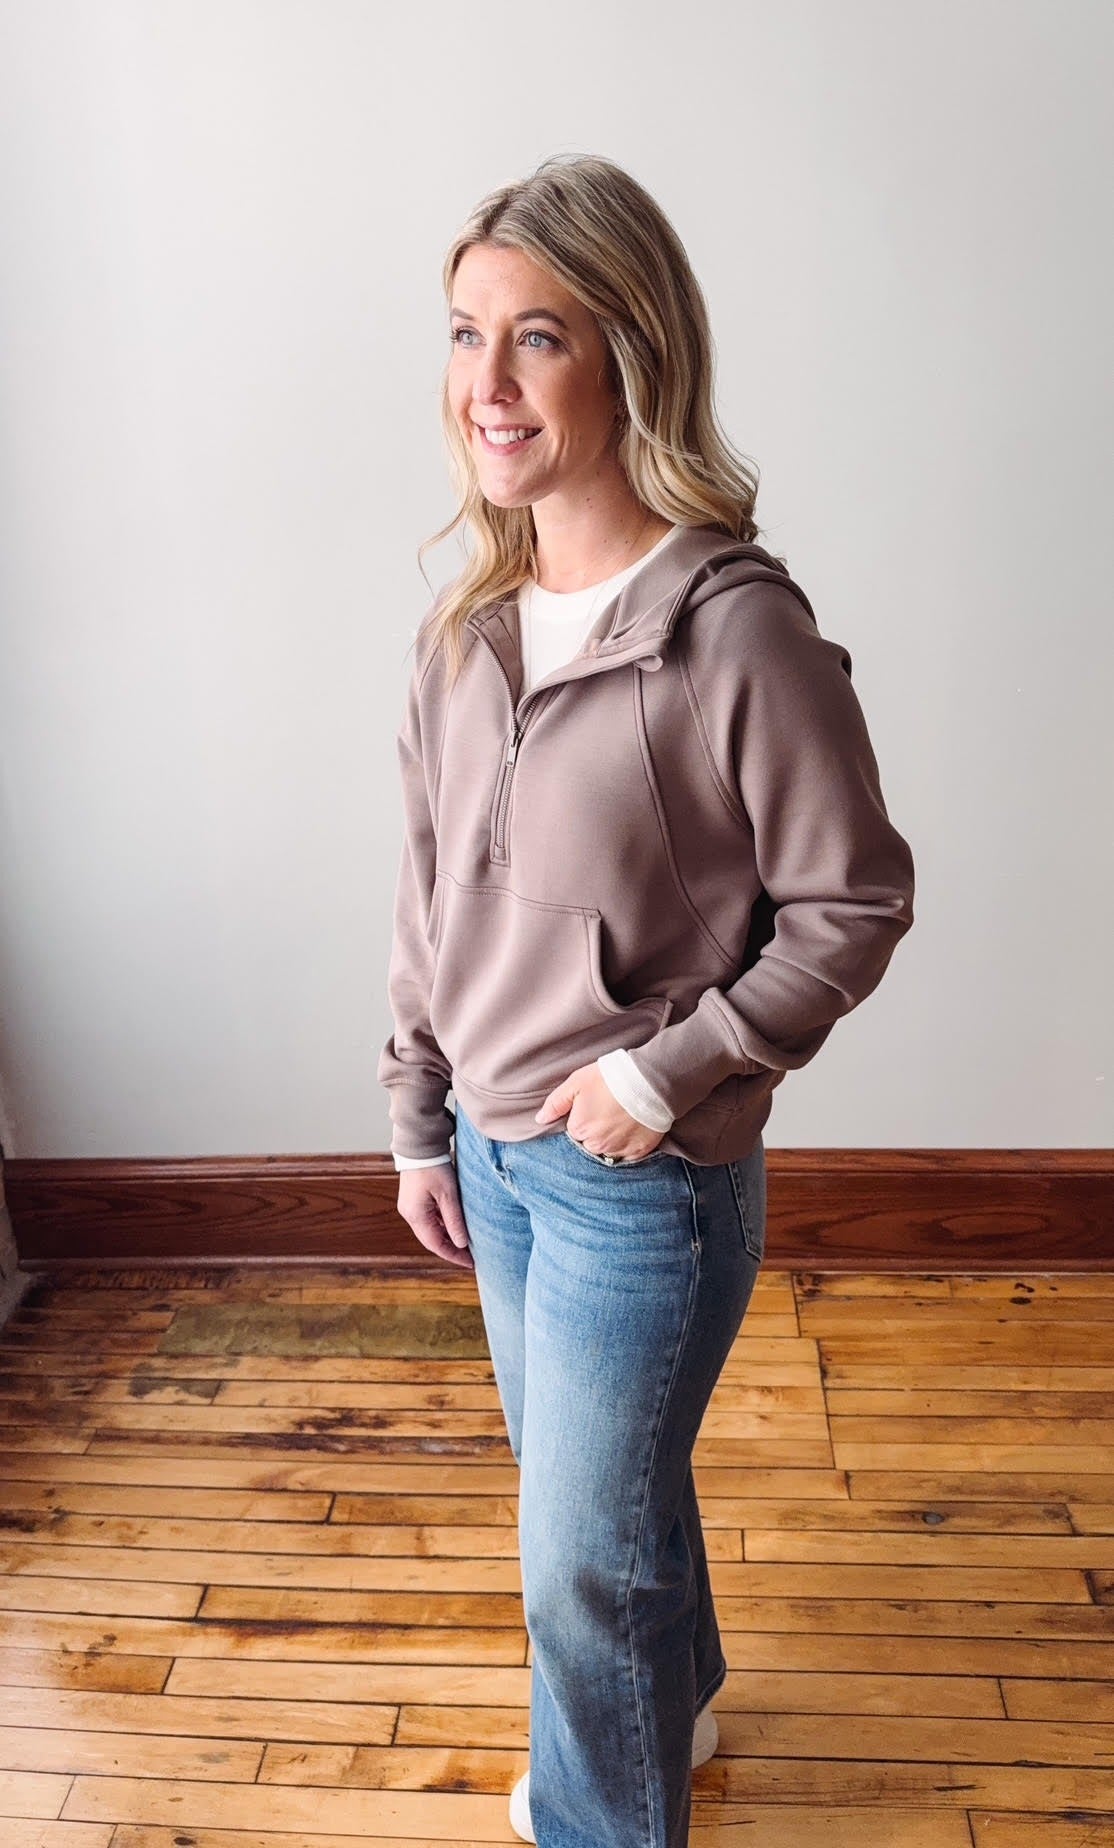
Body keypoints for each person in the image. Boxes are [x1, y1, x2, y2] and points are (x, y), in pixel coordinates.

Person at [377, 152, 915, 1848]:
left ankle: (603, 1822)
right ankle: (667, 1713)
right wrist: (416, 1111)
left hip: (636, 1185)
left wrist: (666, 1077)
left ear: (630, 356)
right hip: (493, 1150)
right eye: (467, 334)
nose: (488, 384)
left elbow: (853, 902)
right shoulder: (465, 626)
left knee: (574, 1567)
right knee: (597, 1517)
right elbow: (424, 891)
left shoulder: (731, 632)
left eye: (538, 338)